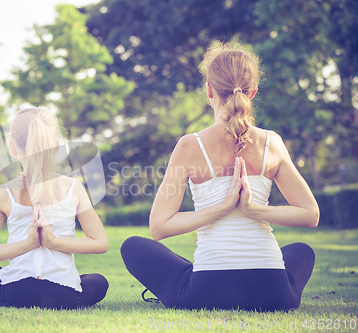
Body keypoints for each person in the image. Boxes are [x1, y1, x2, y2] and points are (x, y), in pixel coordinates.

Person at [120, 41, 319, 312]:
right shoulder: (272, 142)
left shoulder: (190, 145)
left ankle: (200, 272)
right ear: (253, 92)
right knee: (302, 251)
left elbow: (159, 227)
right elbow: (311, 215)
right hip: (274, 294)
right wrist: (254, 210)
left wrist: (220, 209)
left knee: (133, 246)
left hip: (208, 292)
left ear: (209, 90)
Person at [0, 107, 109, 309]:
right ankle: (0, 294)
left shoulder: (4, 193)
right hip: (63, 295)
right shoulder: (74, 189)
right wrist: (53, 242)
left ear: (12, 148)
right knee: (98, 281)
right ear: (56, 146)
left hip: (15, 293)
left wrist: (28, 244)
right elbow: (100, 243)